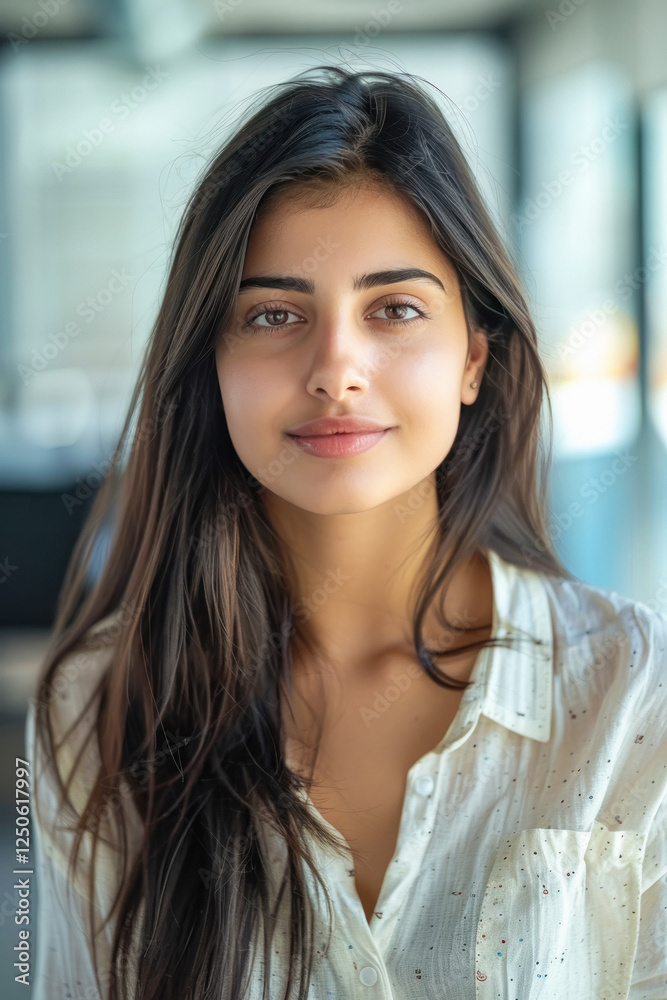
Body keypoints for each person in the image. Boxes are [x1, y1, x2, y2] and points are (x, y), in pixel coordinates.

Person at [26, 64, 666, 1000]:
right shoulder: (100, 710)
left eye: (394, 309)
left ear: (473, 359)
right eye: (274, 314)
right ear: (212, 363)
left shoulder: (630, 690)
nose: (335, 368)